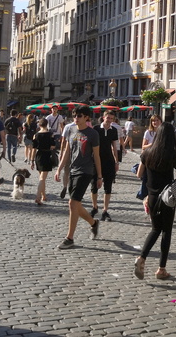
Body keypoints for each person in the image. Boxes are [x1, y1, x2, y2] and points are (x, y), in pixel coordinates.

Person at [134, 122, 176, 281]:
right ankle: (161, 269)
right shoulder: (171, 154)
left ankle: (142, 258)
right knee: (166, 231)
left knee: (155, 229)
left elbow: (139, 174)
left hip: (152, 197)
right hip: (167, 197)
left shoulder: (147, 153)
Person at [55, 106, 102, 248]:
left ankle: (69, 238)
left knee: (72, 203)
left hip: (86, 171)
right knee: (76, 204)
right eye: (74, 115)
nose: (76, 118)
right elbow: (67, 152)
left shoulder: (92, 134)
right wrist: (59, 169)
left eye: (79, 115)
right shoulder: (70, 130)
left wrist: (99, 176)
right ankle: (93, 223)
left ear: (86, 117)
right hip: (73, 170)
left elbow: (97, 156)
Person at [92, 112, 119, 221]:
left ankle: (105, 210)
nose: (109, 120)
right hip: (96, 159)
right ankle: (94, 207)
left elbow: (114, 146)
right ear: (104, 117)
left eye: (111, 118)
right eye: (108, 117)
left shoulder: (114, 130)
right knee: (94, 185)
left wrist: (116, 161)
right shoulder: (96, 128)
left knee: (108, 186)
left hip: (108, 161)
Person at [32, 118, 56, 205]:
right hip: (46, 155)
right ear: (47, 124)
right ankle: (38, 197)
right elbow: (53, 146)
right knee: (42, 178)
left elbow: (33, 149)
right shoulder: (50, 134)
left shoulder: (36, 135)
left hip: (39, 156)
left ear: (39, 125)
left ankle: (44, 196)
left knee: (41, 178)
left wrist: (31, 160)